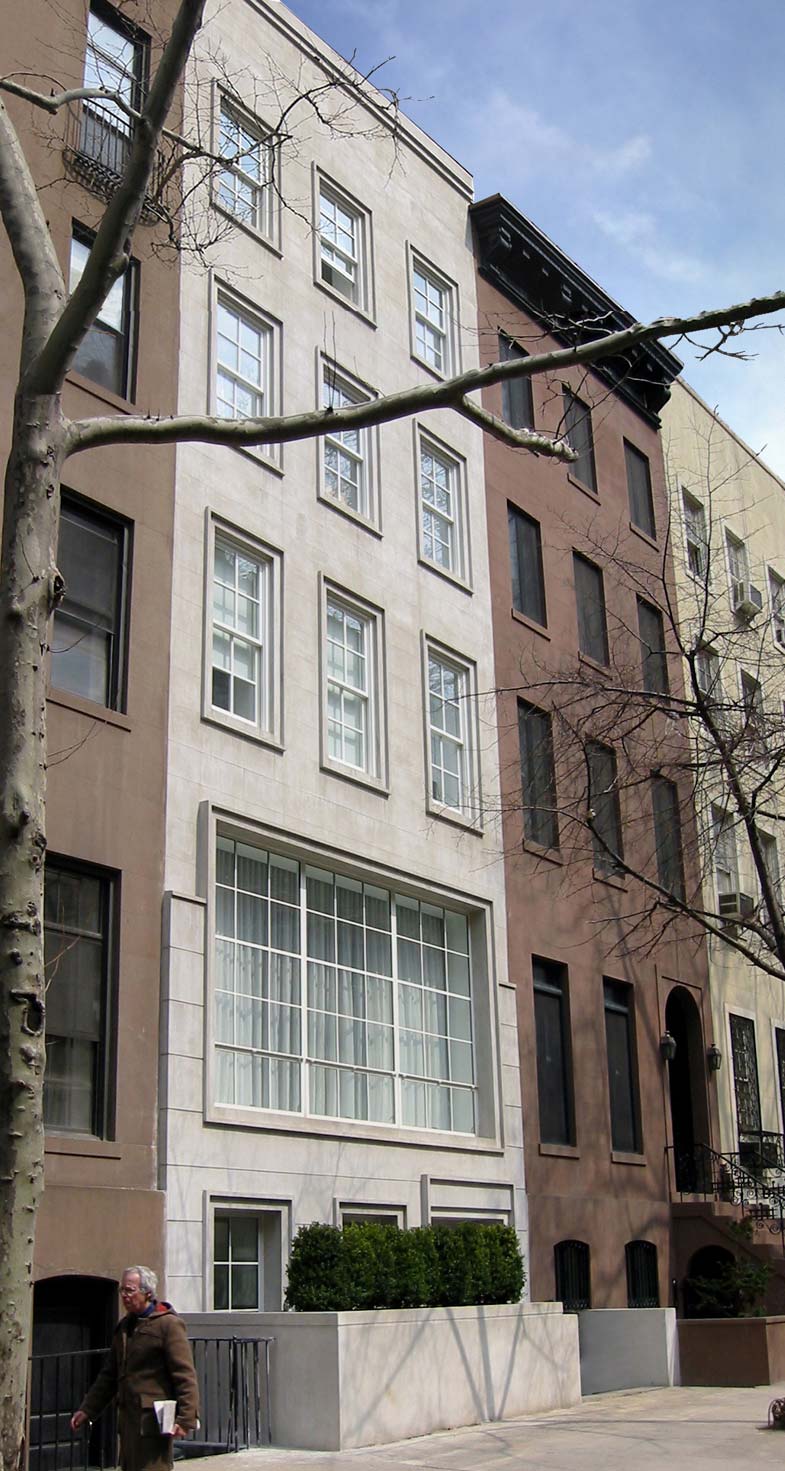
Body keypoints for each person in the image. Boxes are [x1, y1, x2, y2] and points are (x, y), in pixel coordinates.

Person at [70, 1265, 199, 1471]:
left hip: (153, 1424)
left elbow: (185, 1375)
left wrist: (185, 1419)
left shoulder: (168, 1325)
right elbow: (109, 1376)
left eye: (129, 1290)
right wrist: (88, 1409)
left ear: (147, 1293)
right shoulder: (124, 1327)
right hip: (128, 1422)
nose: (124, 1296)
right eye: (122, 1290)